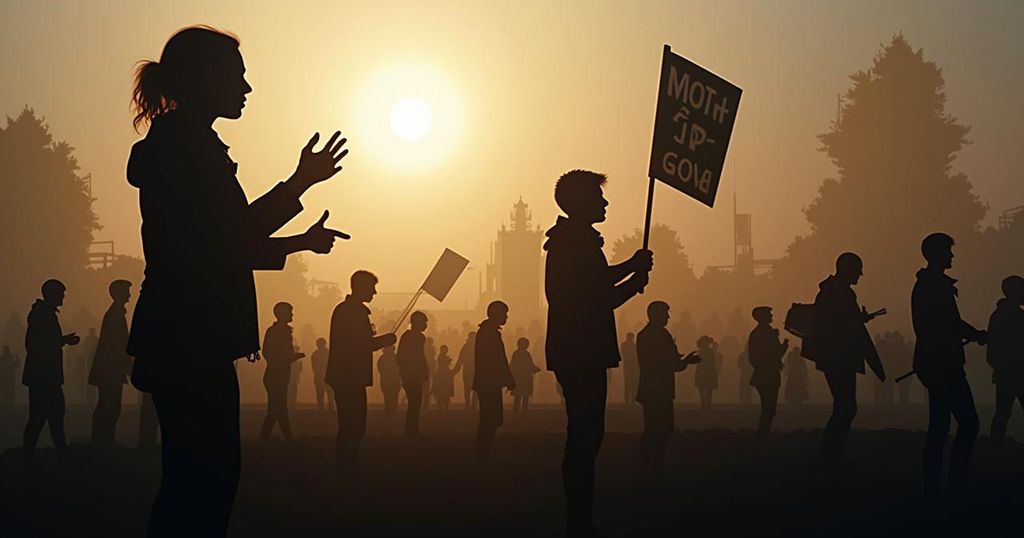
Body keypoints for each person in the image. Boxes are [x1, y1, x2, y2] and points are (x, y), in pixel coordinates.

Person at [127, 26, 350, 537]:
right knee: (204, 483)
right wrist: (299, 183)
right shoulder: (188, 151)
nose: (247, 88)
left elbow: (222, 244)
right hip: (189, 338)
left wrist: (298, 240)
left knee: (195, 480)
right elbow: (234, 236)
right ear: (206, 80)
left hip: (181, 336)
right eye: (238, 76)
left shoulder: (182, 145)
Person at [544, 169, 652, 535]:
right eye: (597, 197)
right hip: (581, 349)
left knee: (586, 432)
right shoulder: (574, 244)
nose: (604, 203)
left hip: (578, 349)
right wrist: (632, 276)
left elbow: (597, 286)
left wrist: (631, 272)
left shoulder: (573, 242)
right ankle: (579, 516)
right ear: (578, 202)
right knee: (586, 434)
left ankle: (580, 514)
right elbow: (597, 297)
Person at [912, 233, 987, 495]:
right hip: (944, 364)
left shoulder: (928, 285)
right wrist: (975, 334)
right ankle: (955, 481)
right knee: (968, 422)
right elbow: (948, 324)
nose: (952, 256)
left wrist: (972, 333)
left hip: (934, 363)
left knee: (940, 426)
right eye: (948, 251)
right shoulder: (934, 287)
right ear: (937, 254)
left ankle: (933, 484)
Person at [807, 252, 884, 471]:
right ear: (847, 269)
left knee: (844, 406)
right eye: (858, 269)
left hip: (836, 356)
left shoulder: (832, 292)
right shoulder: (841, 294)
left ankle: (832, 454)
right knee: (846, 407)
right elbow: (842, 327)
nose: (861, 274)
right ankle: (831, 455)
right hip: (839, 357)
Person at [327, 270, 397, 470]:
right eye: (372, 288)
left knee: (351, 422)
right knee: (354, 423)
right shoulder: (353, 312)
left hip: (346, 376)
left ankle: (347, 463)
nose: (374, 292)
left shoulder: (346, 310)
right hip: (349, 376)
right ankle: (347, 464)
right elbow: (362, 344)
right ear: (362, 288)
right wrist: (385, 340)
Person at [636, 301, 700, 471]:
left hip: (649, 389)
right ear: (656, 314)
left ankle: (648, 464)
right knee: (661, 428)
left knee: (651, 428)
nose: (668, 317)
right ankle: (655, 463)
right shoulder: (661, 335)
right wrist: (685, 361)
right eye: (666, 313)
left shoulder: (644, 335)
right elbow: (670, 363)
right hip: (660, 388)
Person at [22, 279, 80, 466]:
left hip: (42, 376)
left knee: (45, 417)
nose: (63, 297)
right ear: (52, 294)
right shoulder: (43, 315)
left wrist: (61, 340)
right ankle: (57, 455)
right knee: (50, 416)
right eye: (61, 293)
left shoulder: (41, 314)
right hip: (44, 377)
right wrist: (62, 341)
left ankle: (33, 456)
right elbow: (37, 345)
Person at [89, 279, 134, 448]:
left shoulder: (114, 314)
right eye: (127, 292)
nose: (130, 295)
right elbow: (118, 345)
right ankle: (103, 441)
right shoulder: (115, 315)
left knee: (108, 405)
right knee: (110, 406)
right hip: (110, 369)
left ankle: (102, 439)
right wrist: (127, 365)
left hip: (109, 369)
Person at [474, 301, 515, 463]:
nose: (506, 317)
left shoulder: (486, 332)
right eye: (504, 313)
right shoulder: (490, 333)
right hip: (489, 382)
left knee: (490, 418)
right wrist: (508, 379)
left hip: (487, 381)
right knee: (490, 418)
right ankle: (483, 454)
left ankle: (484, 453)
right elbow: (498, 359)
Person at [260, 302, 304, 441]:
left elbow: (270, 353)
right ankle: (287, 438)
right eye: (290, 312)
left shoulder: (276, 331)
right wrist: (292, 357)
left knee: (276, 408)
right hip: (276, 375)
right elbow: (271, 354)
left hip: (277, 374)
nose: (292, 314)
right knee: (279, 408)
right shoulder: (280, 332)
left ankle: (267, 438)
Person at [988, 275, 1024, 441]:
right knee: (1002, 413)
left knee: (1002, 413)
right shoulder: (1015, 316)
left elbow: (992, 350)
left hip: (1005, 372)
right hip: (1014, 372)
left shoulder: (998, 315)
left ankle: (995, 445)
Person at [748, 307, 789, 436]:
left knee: (768, 408)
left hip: (763, 374)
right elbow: (774, 355)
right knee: (769, 408)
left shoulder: (757, 333)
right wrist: (783, 347)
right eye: (769, 314)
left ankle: (763, 433)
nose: (771, 316)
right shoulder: (766, 333)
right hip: (768, 374)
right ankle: (763, 433)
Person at [397, 311, 430, 439]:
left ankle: (411, 429)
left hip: (411, 374)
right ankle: (411, 430)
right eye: (424, 322)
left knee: (415, 403)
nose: (426, 325)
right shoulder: (416, 337)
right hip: (412, 375)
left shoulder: (411, 336)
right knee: (415, 403)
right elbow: (416, 356)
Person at [510, 337, 541, 411]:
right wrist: (535, 369)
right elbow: (529, 365)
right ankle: (524, 411)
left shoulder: (516, 353)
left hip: (518, 377)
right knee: (525, 395)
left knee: (518, 396)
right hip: (525, 377)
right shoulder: (526, 354)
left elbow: (512, 365)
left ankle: (516, 411)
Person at [432, 345, 460, 414]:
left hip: (442, 375)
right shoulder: (441, 357)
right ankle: (444, 408)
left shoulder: (440, 356)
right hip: (444, 375)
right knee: (444, 393)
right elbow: (443, 365)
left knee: (442, 393)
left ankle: (442, 408)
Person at [694, 335, 719, 411]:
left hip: (702, 371)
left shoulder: (701, 352)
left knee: (703, 388)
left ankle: (704, 403)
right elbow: (713, 363)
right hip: (708, 372)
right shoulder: (710, 352)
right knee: (708, 389)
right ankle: (707, 403)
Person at [377, 344, 400, 419]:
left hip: (386, 380)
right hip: (394, 380)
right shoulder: (396, 358)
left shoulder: (382, 358)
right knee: (394, 397)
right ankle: (392, 412)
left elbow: (380, 369)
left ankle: (389, 413)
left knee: (387, 397)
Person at [456, 331, 477, 409]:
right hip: (472, 370)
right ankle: (469, 404)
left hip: (471, 370)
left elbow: (460, 360)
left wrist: (454, 371)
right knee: (471, 388)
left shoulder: (466, 346)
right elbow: (460, 359)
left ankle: (469, 404)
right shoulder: (478, 346)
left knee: (469, 388)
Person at [311, 337, 331, 412]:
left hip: (320, 377)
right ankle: (329, 409)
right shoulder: (329, 353)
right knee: (328, 395)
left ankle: (321, 410)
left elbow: (314, 367)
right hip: (326, 377)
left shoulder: (314, 354)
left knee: (320, 395)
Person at [620, 332, 638, 406]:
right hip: (631, 367)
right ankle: (630, 401)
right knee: (631, 384)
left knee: (630, 384)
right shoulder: (633, 346)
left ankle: (629, 401)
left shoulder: (624, 345)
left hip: (629, 367)